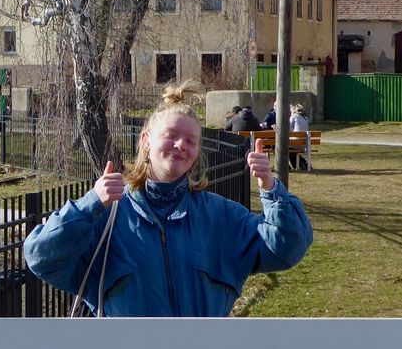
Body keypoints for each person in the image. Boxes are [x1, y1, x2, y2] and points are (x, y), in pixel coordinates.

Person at [24, 81, 312, 317]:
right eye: (171, 135)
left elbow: (287, 248)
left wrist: (270, 188)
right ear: (146, 141)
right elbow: (41, 257)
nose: (180, 145)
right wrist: (91, 204)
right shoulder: (107, 218)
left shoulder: (220, 217)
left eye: (190, 141)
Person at [288, 103, 310, 170]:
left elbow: (288, 129)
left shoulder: (294, 116)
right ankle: (303, 163)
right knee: (292, 151)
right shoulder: (306, 118)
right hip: (304, 144)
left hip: (295, 144)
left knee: (284, 146)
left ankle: (288, 165)